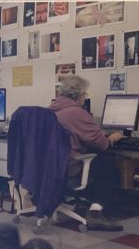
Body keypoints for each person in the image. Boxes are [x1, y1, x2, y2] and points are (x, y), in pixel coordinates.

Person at [49, 75, 126, 230]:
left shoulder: (49, 110)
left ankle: (89, 204)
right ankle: (95, 212)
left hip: (49, 169)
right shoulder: (76, 112)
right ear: (78, 95)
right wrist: (112, 137)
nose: (84, 98)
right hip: (68, 168)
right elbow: (103, 144)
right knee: (110, 169)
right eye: (84, 94)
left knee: (98, 163)